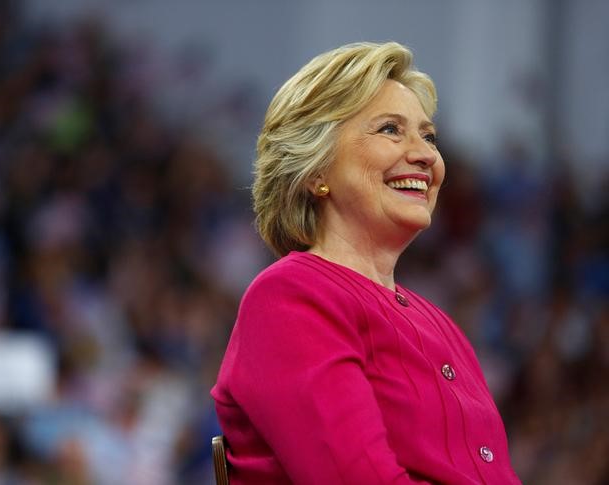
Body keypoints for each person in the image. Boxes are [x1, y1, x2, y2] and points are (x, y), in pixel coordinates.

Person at [211, 41, 522, 484]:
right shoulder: (289, 297)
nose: (426, 155)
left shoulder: (442, 324)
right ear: (316, 170)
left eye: (429, 136)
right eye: (391, 130)